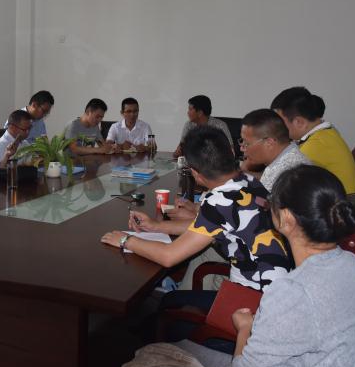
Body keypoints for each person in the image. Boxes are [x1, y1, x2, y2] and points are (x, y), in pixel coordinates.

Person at [145, 165, 355, 367]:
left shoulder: (291, 292)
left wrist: (245, 328)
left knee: (150, 356)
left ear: (286, 219)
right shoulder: (354, 266)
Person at [102, 126, 290, 305]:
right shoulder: (248, 181)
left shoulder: (219, 201)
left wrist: (126, 240)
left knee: (169, 302)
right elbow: (206, 226)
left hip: (253, 303)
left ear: (195, 173)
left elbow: (169, 256)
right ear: (232, 152)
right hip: (280, 289)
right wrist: (156, 226)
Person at [271, 87, 355, 194]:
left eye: (280, 123)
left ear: (299, 122)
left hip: (333, 203)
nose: (277, 128)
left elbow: (284, 185)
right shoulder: (325, 134)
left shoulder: (317, 145)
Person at [239, 109, 311, 192]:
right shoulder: (284, 159)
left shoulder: (290, 174)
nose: (242, 148)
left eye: (247, 143)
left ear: (269, 143)